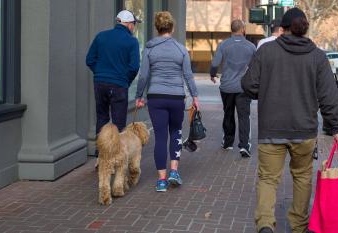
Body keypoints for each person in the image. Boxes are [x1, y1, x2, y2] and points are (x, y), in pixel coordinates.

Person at [241, 8, 338, 233]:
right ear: (304, 29)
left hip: (271, 128)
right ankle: (298, 226)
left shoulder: (266, 51)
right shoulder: (317, 56)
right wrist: (335, 127)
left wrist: (265, 90)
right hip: (304, 130)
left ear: (282, 29)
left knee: (268, 179)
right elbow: (329, 95)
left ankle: (266, 224)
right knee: (302, 177)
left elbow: (248, 85)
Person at [135, 11, 199, 192]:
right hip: (176, 98)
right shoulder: (180, 49)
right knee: (176, 132)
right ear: (172, 27)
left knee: (160, 137)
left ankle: (161, 181)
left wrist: (139, 96)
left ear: (157, 27)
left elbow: (144, 75)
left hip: (156, 98)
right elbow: (188, 75)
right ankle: (174, 172)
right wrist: (195, 97)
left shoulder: (149, 48)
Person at [86, 10, 140, 156]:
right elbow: (134, 67)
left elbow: (89, 60)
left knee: (102, 118)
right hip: (119, 85)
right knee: (119, 122)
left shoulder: (101, 36)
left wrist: (100, 73)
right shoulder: (132, 41)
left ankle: (101, 155)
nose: (134, 27)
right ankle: (117, 156)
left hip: (100, 83)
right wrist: (125, 80)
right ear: (129, 24)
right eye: (134, 24)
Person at [210, 19, 256, 158]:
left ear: (231, 30)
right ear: (242, 29)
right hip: (243, 87)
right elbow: (256, 66)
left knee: (228, 114)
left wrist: (212, 74)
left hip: (227, 87)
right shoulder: (251, 46)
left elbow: (215, 63)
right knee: (244, 116)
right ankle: (244, 146)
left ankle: (228, 142)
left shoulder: (223, 45)